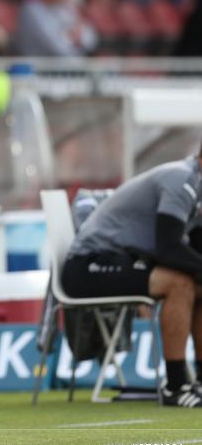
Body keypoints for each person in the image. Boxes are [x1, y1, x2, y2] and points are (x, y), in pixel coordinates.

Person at [62, 144, 202, 407]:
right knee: (180, 283)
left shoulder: (197, 186)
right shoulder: (182, 179)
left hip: (122, 259)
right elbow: (168, 247)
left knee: (196, 283)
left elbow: (194, 249)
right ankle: (175, 385)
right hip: (86, 266)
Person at [12, 0, 97, 57]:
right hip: (34, 67)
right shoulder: (31, 7)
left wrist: (74, 35)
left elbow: (91, 40)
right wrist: (76, 35)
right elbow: (59, 47)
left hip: (66, 67)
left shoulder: (64, 7)